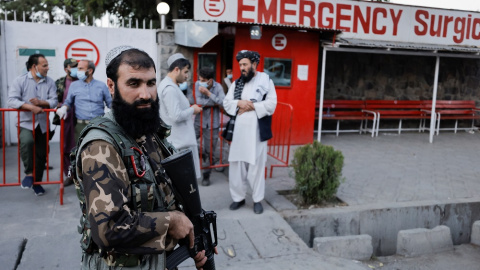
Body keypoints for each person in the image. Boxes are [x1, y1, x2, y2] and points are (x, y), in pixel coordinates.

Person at [77, 45, 208, 269]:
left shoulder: (147, 132)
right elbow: (108, 228)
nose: (145, 94)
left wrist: (192, 232)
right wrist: (172, 222)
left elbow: (163, 191)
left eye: (150, 83)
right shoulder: (101, 145)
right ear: (111, 86)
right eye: (133, 83)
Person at [223, 50, 277, 214]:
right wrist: (240, 102)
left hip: (257, 134)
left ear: (254, 64)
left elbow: (272, 104)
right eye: (240, 65)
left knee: (257, 167)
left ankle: (257, 200)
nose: (242, 68)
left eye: (245, 64)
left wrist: (252, 106)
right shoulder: (236, 83)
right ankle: (238, 198)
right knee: (236, 165)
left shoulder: (266, 81)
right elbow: (227, 103)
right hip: (239, 133)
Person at [7, 54, 58, 196]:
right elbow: (11, 100)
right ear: (34, 66)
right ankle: (29, 174)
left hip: (42, 124)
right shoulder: (20, 81)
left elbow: (54, 101)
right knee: (27, 142)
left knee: (41, 154)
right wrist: (30, 107)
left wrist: (42, 103)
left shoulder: (50, 82)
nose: (48, 68)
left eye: (47, 64)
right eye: (44, 65)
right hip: (25, 123)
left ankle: (37, 183)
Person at [158, 53, 203, 181]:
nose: (187, 76)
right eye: (185, 72)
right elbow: (176, 115)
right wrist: (192, 110)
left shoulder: (170, 86)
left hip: (180, 142)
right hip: (179, 144)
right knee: (185, 184)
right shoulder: (170, 89)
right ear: (176, 69)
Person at [55, 59, 112, 143]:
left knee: (99, 149)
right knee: (81, 151)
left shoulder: (101, 86)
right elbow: (68, 102)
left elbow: (110, 103)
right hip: (81, 125)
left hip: (99, 124)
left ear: (90, 71)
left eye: (81, 69)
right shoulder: (74, 85)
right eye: (78, 69)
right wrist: (63, 108)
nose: (78, 71)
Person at [194, 67, 225, 186]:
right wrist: (214, 102)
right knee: (189, 142)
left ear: (210, 80)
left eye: (203, 80)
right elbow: (199, 101)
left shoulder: (218, 87)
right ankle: (201, 159)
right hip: (198, 121)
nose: (200, 81)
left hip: (213, 123)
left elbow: (223, 103)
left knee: (210, 150)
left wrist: (208, 94)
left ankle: (206, 175)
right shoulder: (197, 84)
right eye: (199, 79)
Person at [55, 58, 78, 186]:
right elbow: (53, 99)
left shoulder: (81, 82)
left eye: (77, 66)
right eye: (73, 66)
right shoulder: (60, 83)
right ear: (66, 69)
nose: (75, 68)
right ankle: (69, 176)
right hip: (65, 121)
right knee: (65, 150)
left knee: (79, 148)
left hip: (79, 120)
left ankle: (81, 175)